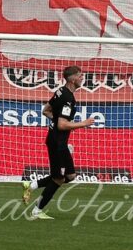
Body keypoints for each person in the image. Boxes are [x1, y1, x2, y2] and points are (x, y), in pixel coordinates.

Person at [20, 65, 99, 220]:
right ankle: (36, 211)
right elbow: (62, 125)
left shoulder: (60, 91)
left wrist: (58, 121)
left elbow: (46, 110)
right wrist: (83, 123)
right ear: (73, 79)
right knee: (59, 179)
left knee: (70, 176)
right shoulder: (68, 98)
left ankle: (32, 185)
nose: (82, 78)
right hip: (58, 143)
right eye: (80, 75)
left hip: (57, 141)